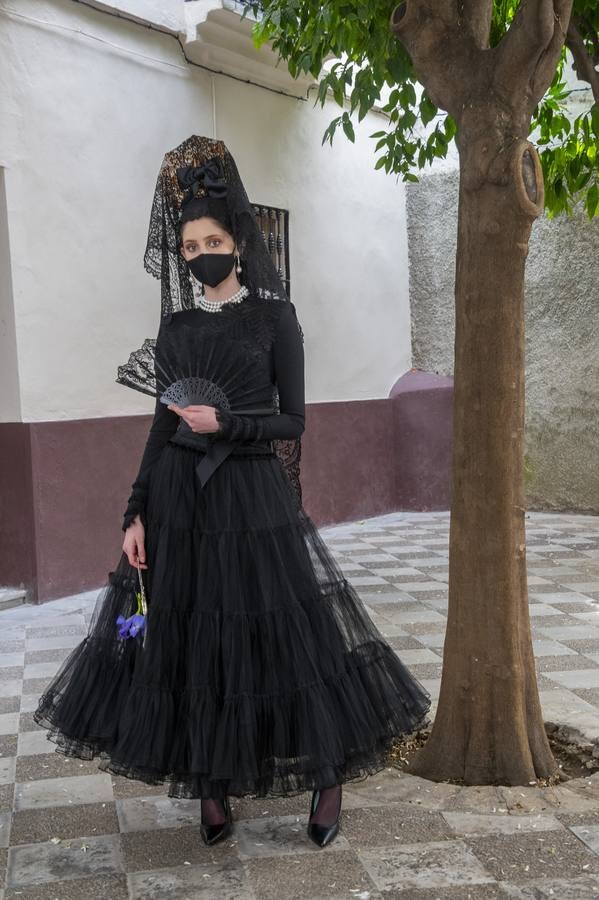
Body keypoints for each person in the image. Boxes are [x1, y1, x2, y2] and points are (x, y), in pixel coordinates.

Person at [33, 134, 432, 850]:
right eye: (188, 248)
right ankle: (211, 786)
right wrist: (134, 513)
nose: (200, 255)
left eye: (211, 241)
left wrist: (228, 423)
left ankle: (326, 773)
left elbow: (291, 420)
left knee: (283, 637)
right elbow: (159, 431)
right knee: (189, 641)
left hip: (251, 497)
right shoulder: (177, 328)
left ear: (239, 243)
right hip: (180, 502)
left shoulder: (276, 317)